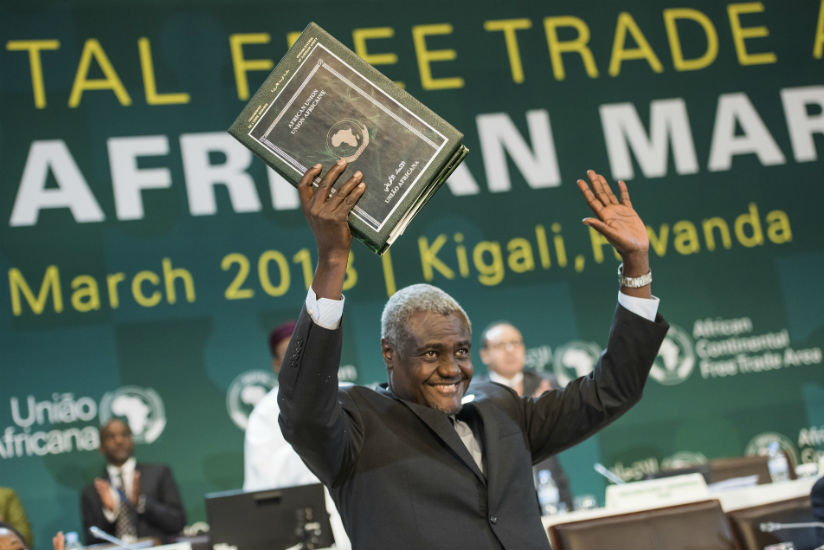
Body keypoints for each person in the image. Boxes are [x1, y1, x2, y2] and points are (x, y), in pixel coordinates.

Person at [277, 162, 668, 549]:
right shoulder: (357, 424)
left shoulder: (500, 407)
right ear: (389, 353)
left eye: (460, 351)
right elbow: (304, 408)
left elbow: (611, 390)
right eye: (431, 353)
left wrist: (636, 266)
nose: (451, 368)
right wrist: (331, 260)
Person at [244, 321, 351, 548]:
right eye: (290, 353)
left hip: (358, 514)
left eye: (307, 349)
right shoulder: (265, 415)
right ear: (276, 364)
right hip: (302, 530)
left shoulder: (349, 394)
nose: (302, 358)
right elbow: (263, 488)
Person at [475, 321, 574, 512]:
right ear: (484, 355)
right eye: (501, 345)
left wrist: (546, 411)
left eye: (516, 343)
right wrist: (531, 414)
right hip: (503, 498)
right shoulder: (475, 393)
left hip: (552, 489)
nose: (510, 350)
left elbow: (564, 432)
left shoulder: (546, 383)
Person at [81, 418, 186, 545]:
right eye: (111, 437)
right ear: (101, 447)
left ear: (132, 441)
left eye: (124, 435)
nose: (119, 441)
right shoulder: (92, 492)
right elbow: (91, 541)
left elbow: (178, 522)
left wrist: (141, 503)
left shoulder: (158, 474)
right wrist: (110, 512)